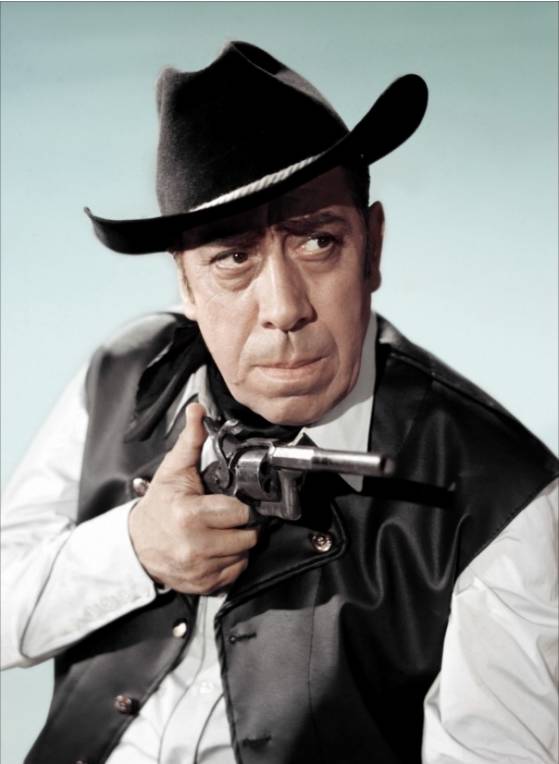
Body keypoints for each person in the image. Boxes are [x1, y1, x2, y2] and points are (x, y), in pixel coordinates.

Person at [2, 41, 557, 764]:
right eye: (233, 258)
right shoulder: (122, 373)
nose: (284, 308)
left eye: (318, 242)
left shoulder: (504, 494)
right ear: (185, 283)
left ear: (373, 248)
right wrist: (134, 550)